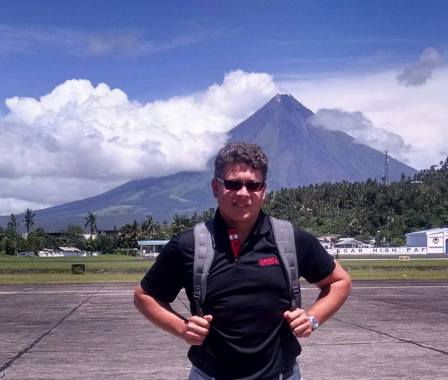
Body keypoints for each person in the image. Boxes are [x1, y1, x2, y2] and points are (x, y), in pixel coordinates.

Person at [134, 142, 352, 380]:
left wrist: (312, 318)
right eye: (233, 184)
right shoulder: (189, 245)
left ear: (264, 191)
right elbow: (145, 296)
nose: (243, 193)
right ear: (215, 187)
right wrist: (183, 328)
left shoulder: (290, 239)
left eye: (253, 185)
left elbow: (340, 282)